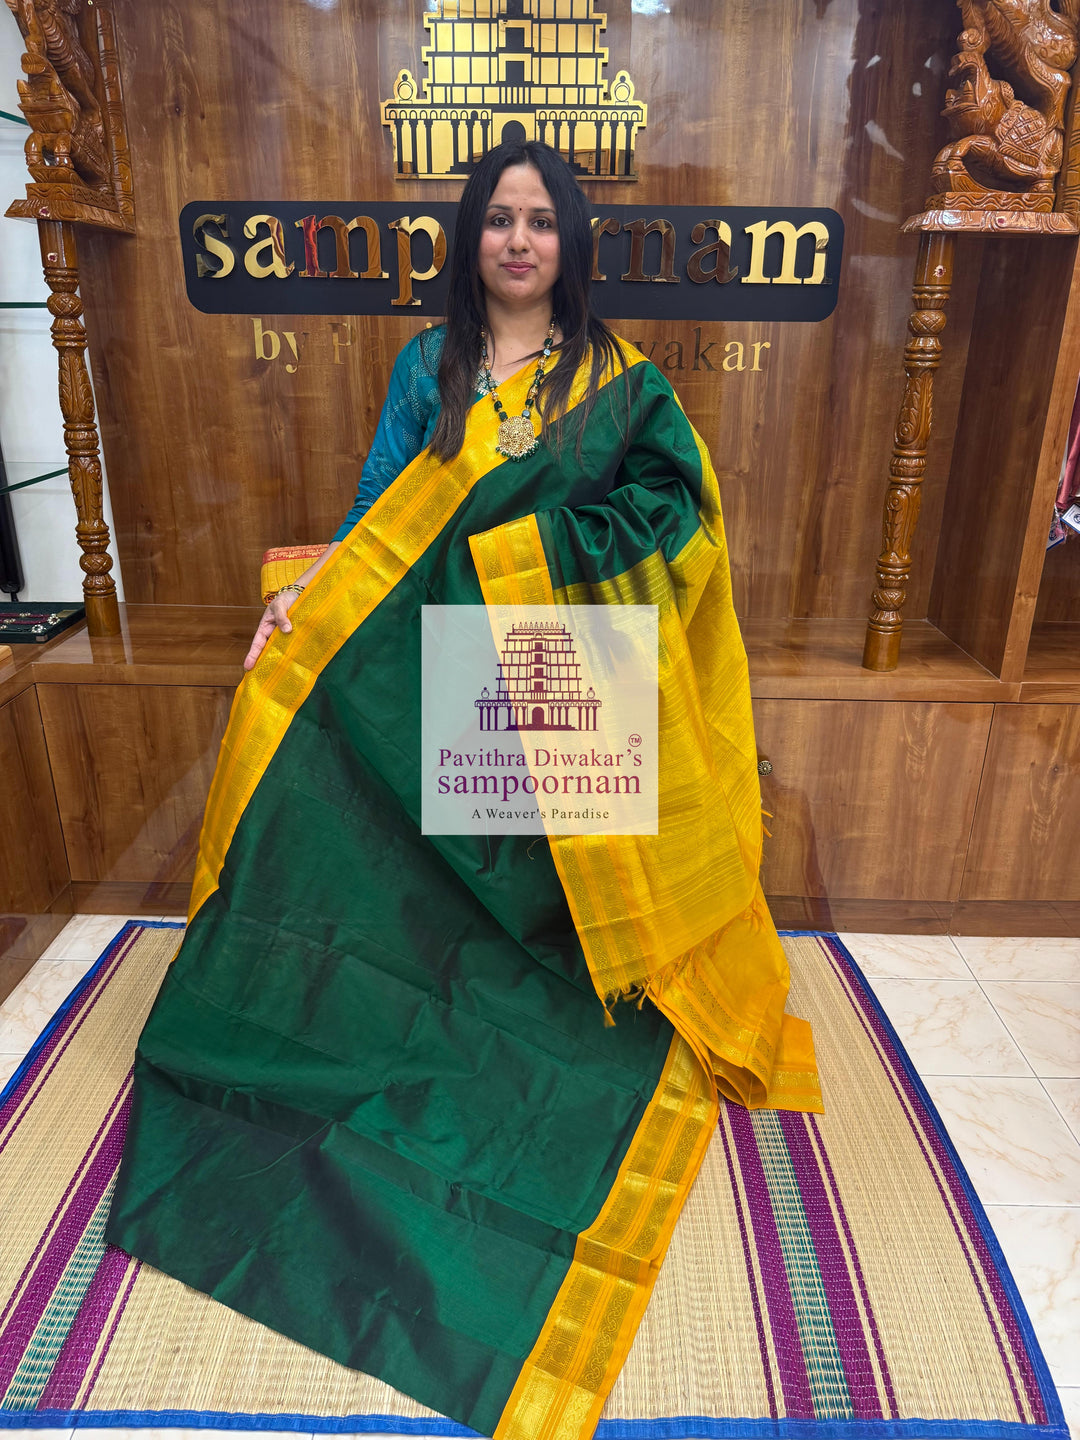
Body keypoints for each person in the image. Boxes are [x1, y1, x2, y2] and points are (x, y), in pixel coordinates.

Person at [107, 142, 820, 1440]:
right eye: (498, 219)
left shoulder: (620, 380)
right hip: (440, 664)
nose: (519, 240)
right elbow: (383, 516)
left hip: (564, 678)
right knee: (326, 768)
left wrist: (529, 552)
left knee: (539, 933)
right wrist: (307, 604)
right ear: (471, 237)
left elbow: (678, 516)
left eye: (541, 220)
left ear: (572, 240)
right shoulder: (427, 367)